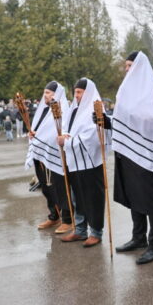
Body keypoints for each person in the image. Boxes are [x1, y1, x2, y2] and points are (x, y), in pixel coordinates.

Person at [109, 51, 153, 264]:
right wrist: (105, 120)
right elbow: (121, 118)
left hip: (147, 154)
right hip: (128, 152)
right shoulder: (125, 91)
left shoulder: (151, 91)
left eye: (130, 65)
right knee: (134, 196)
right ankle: (138, 237)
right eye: (126, 66)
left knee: (151, 201)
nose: (127, 69)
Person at [58, 78, 106, 247]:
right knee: (77, 197)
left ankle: (96, 232)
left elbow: (93, 136)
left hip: (90, 163)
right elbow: (66, 127)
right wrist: (64, 135)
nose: (76, 95)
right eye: (75, 92)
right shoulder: (74, 110)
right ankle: (80, 230)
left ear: (88, 92)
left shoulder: (95, 110)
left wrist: (67, 141)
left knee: (93, 198)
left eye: (79, 92)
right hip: (74, 161)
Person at [25, 81, 73, 234]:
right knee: (47, 188)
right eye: (44, 92)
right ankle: (54, 215)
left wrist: (41, 137)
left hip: (56, 155)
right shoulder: (43, 110)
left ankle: (68, 219)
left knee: (61, 188)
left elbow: (62, 131)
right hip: (41, 154)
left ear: (56, 94)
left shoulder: (63, 110)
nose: (44, 95)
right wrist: (33, 134)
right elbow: (39, 129)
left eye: (48, 93)